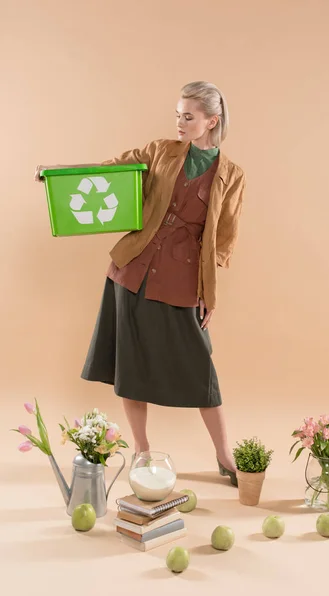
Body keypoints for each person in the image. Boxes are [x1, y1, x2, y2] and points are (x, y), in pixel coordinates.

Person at [34, 81, 246, 486]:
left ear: (211, 121)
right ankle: (142, 451)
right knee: (130, 368)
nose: (180, 123)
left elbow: (224, 242)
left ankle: (224, 454)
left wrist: (208, 292)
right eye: (178, 115)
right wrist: (58, 175)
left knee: (202, 370)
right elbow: (109, 172)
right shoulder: (159, 151)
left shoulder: (232, 175)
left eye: (189, 116)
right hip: (132, 270)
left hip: (183, 280)